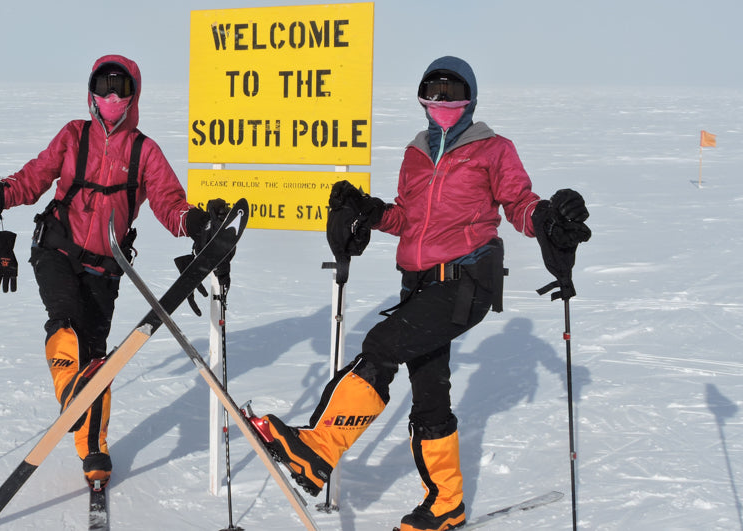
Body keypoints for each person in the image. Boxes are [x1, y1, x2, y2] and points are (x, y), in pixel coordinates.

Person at [251, 56, 591, 530]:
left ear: (470, 98)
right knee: (430, 395)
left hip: (466, 280)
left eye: (452, 93)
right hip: (420, 283)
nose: (442, 102)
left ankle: (318, 448)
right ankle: (447, 503)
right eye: (433, 93)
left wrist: (548, 218)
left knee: (381, 347)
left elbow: (519, 203)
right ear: (421, 99)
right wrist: (370, 212)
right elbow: (409, 219)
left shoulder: (494, 149)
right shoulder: (415, 152)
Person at [0, 54, 227, 491]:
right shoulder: (73, 136)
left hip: (106, 267)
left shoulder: (146, 151)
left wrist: (198, 224)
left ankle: (93, 445)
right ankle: (72, 393)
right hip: (56, 248)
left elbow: (169, 204)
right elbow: (33, 178)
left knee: (96, 355)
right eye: (103, 86)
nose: (111, 96)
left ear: (134, 94)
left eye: (120, 87)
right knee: (64, 319)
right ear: (91, 92)